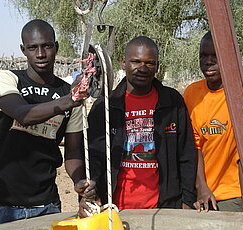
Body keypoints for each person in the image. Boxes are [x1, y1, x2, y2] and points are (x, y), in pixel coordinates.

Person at [0, 19, 87, 227]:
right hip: (1, 204)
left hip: (46, 206)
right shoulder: (7, 79)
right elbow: (22, 115)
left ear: (56, 47)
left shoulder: (70, 95)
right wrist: (70, 100)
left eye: (46, 46)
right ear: (23, 50)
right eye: (33, 48)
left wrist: (79, 180)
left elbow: (73, 154)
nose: (40, 54)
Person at [78, 36, 197, 216]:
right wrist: (91, 193)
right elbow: (93, 156)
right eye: (136, 61)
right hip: (116, 207)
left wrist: (187, 200)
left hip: (164, 207)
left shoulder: (172, 102)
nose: (142, 68)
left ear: (157, 66)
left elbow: (186, 153)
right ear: (123, 63)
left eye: (149, 63)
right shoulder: (106, 106)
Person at [183, 32, 243, 213]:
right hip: (201, 193)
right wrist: (201, 187)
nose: (208, 61)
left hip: (234, 194)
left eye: (215, 56)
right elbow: (195, 145)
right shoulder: (192, 94)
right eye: (203, 56)